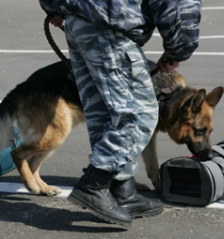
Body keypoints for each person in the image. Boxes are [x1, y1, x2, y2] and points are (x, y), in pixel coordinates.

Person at [39, 0, 202, 227]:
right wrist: (179, 48)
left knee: (104, 114)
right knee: (138, 115)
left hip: (80, 22)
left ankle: (121, 190)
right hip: (110, 28)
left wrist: (53, 6)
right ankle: (94, 184)